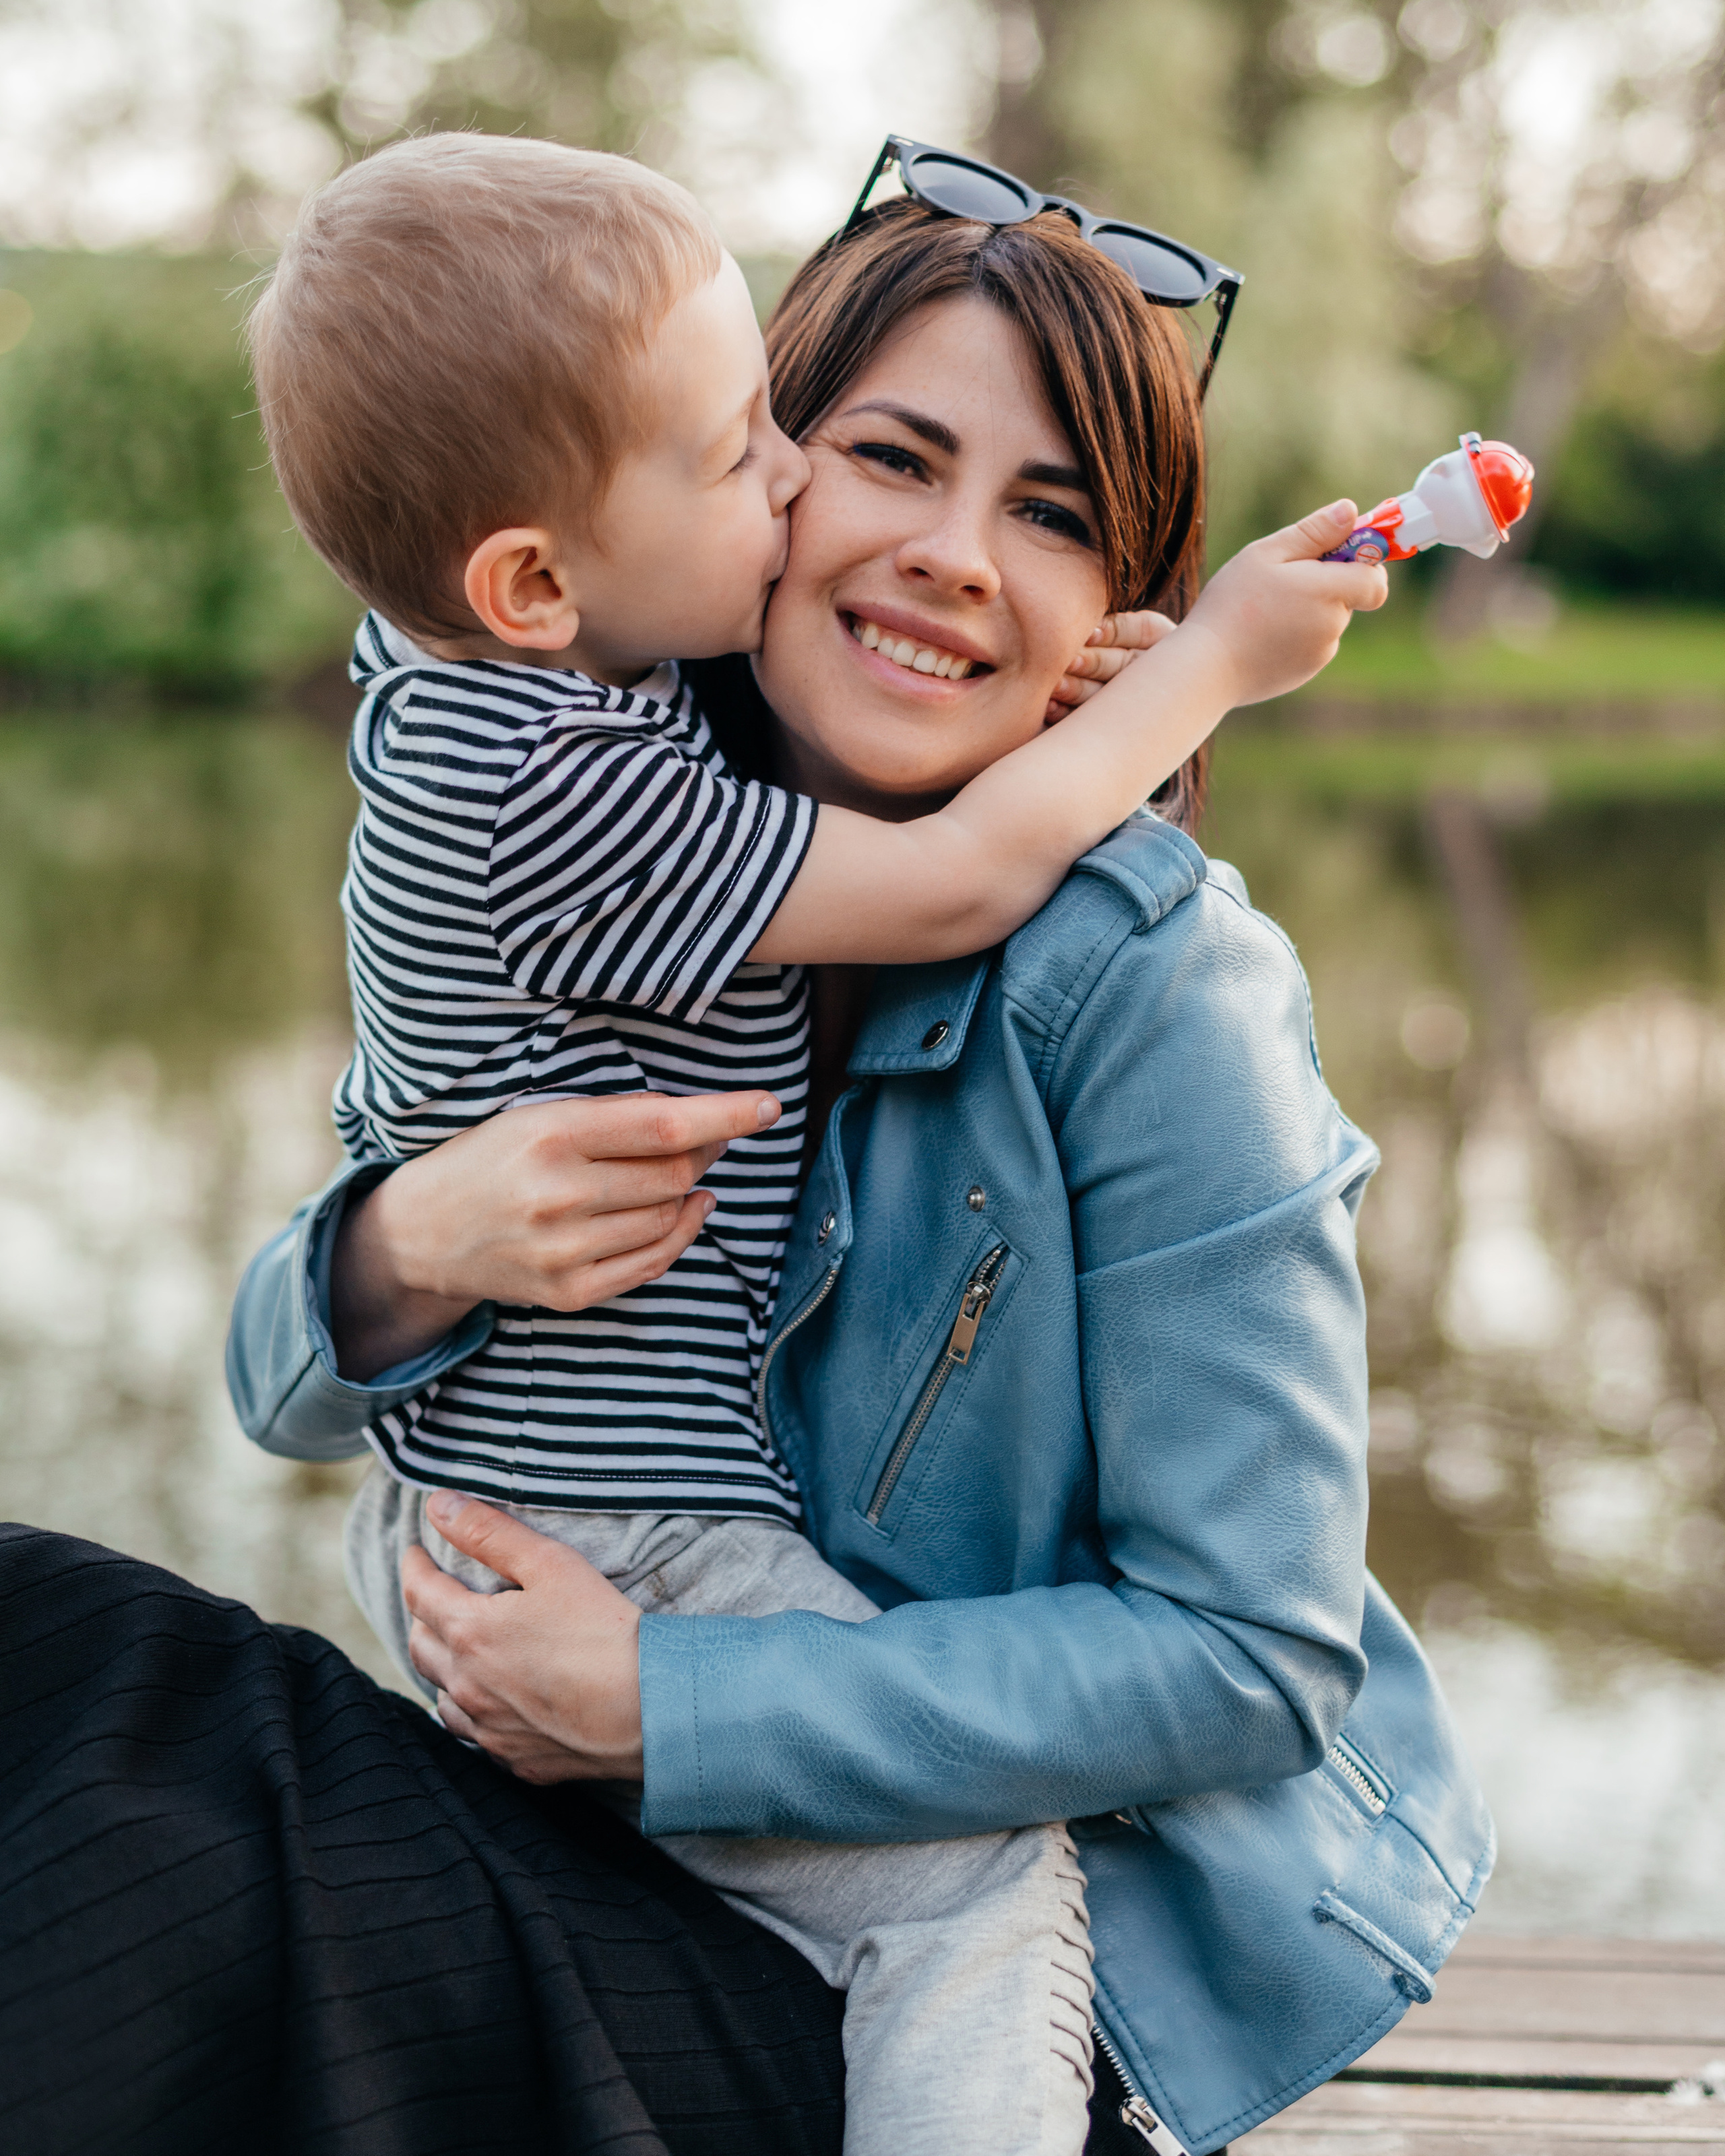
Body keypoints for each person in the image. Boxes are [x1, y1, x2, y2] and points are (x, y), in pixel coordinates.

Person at [230, 175, 1494, 2154]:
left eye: (1052, 517)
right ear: (763, 476)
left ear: (1116, 609)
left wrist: (669, 1702)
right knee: (93, 1691)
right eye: (882, 457)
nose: (954, 558)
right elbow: (276, 1389)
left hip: (963, 1957)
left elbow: (1258, 1659)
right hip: (611, 1784)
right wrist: (417, 1234)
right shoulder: (617, 788)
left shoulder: (1158, 995)